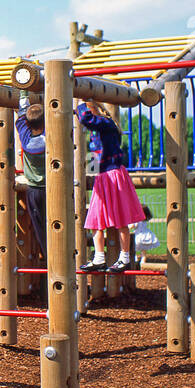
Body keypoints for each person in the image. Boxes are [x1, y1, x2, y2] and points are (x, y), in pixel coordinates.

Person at [76, 103, 144, 272]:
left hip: (113, 174)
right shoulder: (95, 132)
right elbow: (94, 156)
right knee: (95, 219)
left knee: (121, 220)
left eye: (86, 111)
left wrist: (80, 103)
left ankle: (125, 257)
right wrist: (92, 173)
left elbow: (85, 118)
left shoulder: (107, 123)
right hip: (102, 177)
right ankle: (99, 258)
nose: (82, 117)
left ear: (94, 111)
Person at [14, 99, 47, 258]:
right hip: (52, 187)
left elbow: (20, 118)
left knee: (40, 227)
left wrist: (23, 95)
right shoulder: (49, 136)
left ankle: (47, 256)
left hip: (34, 190)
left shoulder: (26, 138)